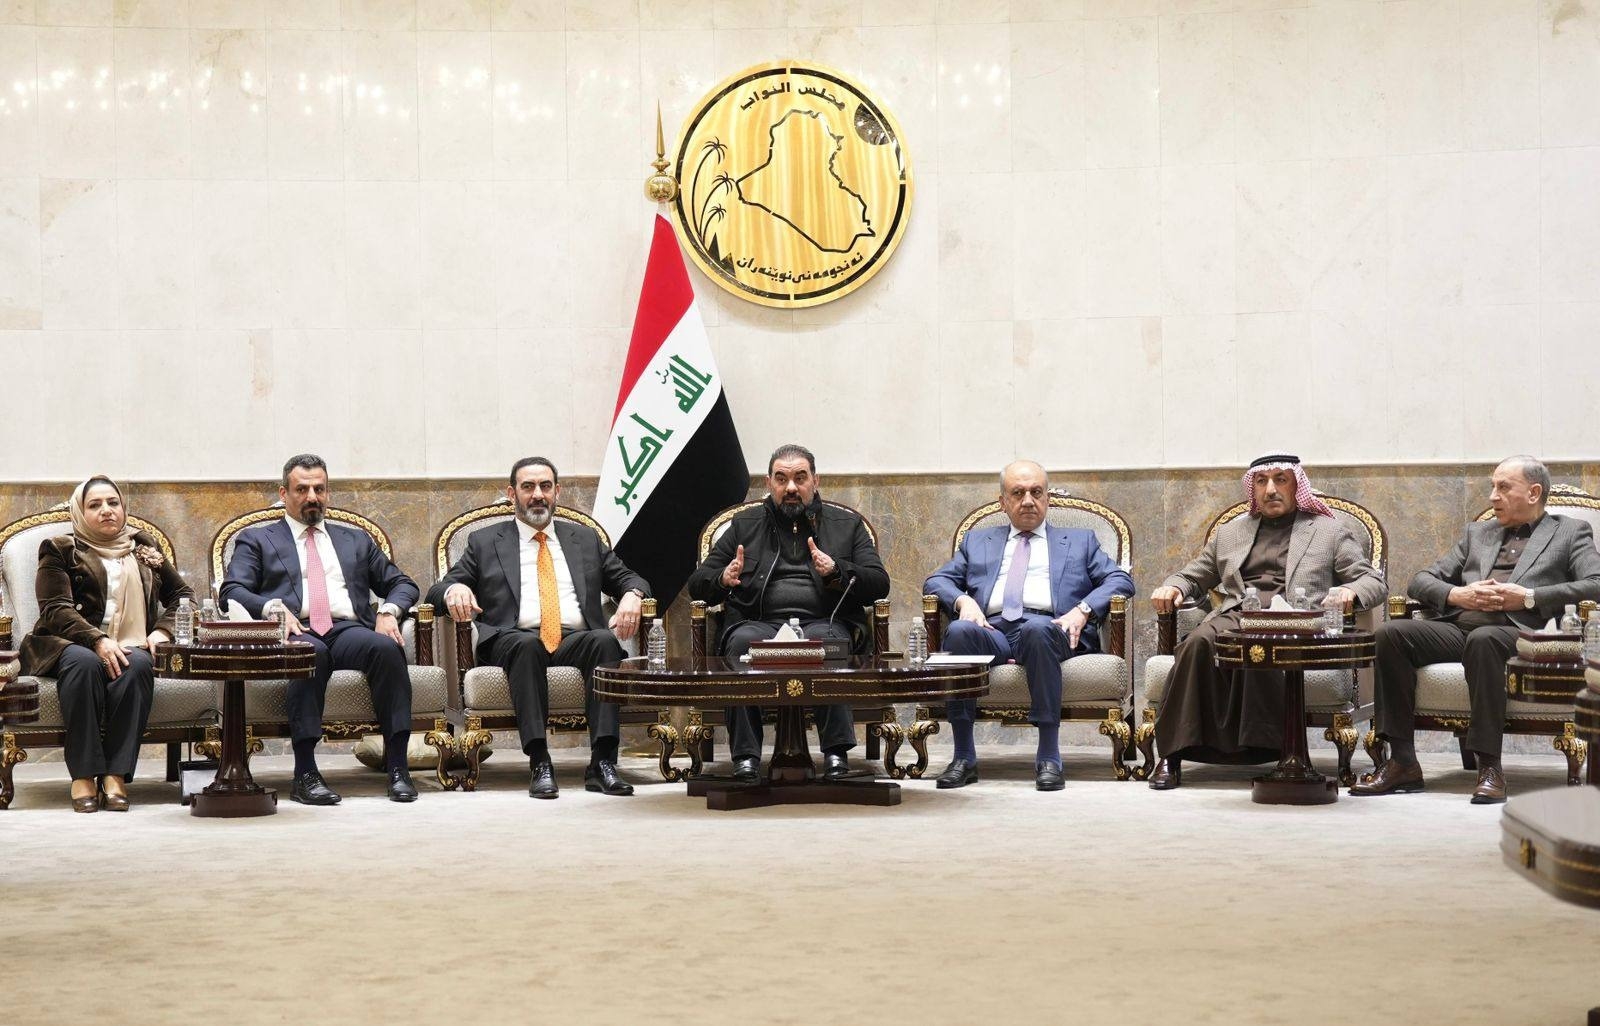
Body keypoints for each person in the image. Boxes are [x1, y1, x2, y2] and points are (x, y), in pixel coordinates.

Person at [1354, 456, 1600, 804]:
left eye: (1503, 487)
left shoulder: (1570, 532)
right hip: (1461, 627)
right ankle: (1403, 762)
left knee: (1484, 641)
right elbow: (1420, 581)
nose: (1493, 496)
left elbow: (1595, 583)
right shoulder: (1478, 533)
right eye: (1492, 487)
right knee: (1390, 635)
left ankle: (1490, 767)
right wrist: (1458, 594)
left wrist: (1528, 597)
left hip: (1523, 633)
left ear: (1533, 493)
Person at [1147, 454, 1386, 789]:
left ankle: (1264, 747)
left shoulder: (1329, 531)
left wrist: (1350, 591)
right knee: (1197, 643)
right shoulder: (1230, 533)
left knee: (1260, 647)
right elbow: (1192, 575)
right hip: (1238, 616)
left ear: (1297, 485)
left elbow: (1373, 582)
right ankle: (1171, 756)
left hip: (1297, 622)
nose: (1270, 489)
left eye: (1280, 480)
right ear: (1253, 488)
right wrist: (1174, 586)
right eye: (1262, 481)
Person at [428, 457, 650, 799]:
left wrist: (633, 595)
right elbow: (437, 591)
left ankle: (603, 763)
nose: (537, 495)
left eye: (545, 486)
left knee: (604, 641)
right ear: (512, 493)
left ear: (557, 492)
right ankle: (540, 761)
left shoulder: (584, 539)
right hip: (513, 637)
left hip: (574, 637)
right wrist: (454, 589)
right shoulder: (485, 542)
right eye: (528, 487)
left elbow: (630, 578)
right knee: (527, 645)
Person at [220, 454, 420, 805]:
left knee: (387, 648)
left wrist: (389, 611)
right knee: (311, 653)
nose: (312, 497)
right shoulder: (258, 539)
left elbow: (402, 583)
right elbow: (232, 590)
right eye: (302, 489)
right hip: (295, 630)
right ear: (284, 493)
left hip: (346, 629)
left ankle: (398, 768)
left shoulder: (355, 540)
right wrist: (272, 608)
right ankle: (306, 774)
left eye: (319, 489)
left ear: (328, 492)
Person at [924, 460, 1134, 791]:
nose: (1028, 501)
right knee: (960, 632)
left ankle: (1049, 756)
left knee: (1038, 629)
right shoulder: (977, 541)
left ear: (1047, 498)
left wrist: (1082, 610)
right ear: (1002, 501)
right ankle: (963, 757)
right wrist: (964, 601)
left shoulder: (1079, 541)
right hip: (993, 631)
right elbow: (936, 581)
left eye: (1036, 492)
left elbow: (1120, 579)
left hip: (1052, 630)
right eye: (1018, 493)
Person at [686, 443, 890, 783]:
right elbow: (697, 584)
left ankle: (836, 755)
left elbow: (879, 583)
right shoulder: (744, 525)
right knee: (740, 644)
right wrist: (723, 577)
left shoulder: (846, 524)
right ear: (769, 483)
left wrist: (837, 570)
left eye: (800, 478)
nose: (791, 487)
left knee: (828, 644)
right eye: (781, 479)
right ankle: (746, 758)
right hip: (758, 624)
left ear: (815, 481)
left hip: (824, 622)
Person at [20, 477, 192, 812]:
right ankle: (83, 775)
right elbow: (55, 609)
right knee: (84, 664)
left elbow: (183, 596)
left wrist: (163, 631)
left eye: (113, 503)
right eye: (95, 505)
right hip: (65, 642)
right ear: (80, 512)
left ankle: (115, 774)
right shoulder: (59, 548)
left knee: (138, 665)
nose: (106, 510)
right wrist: (98, 640)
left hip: (131, 643)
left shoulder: (142, 545)